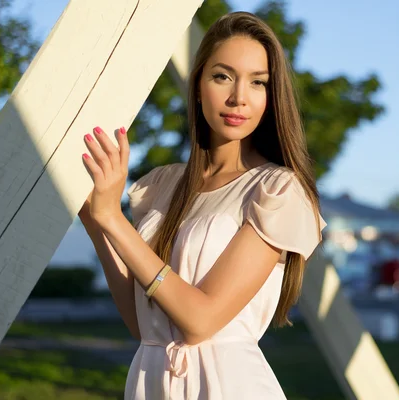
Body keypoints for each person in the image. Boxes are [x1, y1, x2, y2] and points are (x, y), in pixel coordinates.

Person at [78, 11, 326, 400]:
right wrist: (97, 221)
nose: (238, 98)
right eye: (222, 76)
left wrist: (114, 218)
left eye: (257, 82)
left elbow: (199, 320)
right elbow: (143, 322)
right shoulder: (163, 185)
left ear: (270, 95)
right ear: (198, 86)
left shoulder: (277, 192)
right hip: (150, 382)